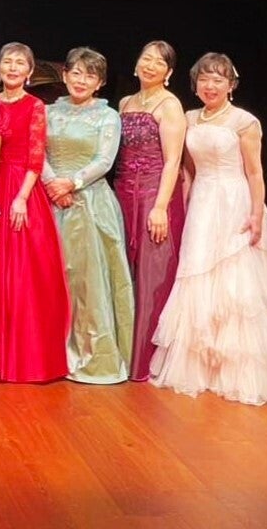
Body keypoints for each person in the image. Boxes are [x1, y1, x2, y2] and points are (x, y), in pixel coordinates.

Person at [150, 53, 267, 405]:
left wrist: (257, 213)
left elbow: (255, 172)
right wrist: (182, 203)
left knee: (236, 282)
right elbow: (188, 170)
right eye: (204, 79)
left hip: (235, 201)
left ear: (231, 85)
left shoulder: (244, 121)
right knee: (198, 273)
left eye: (218, 80)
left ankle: (236, 369)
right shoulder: (189, 118)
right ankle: (202, 365)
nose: (210, 85)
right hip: (203, 203)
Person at [43, 47, 134, 384]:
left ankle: (92, 358)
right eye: (76, 73)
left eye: (90, 75)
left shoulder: (107, 116)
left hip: (90, 202)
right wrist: (53, 183)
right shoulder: (48, 112)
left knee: (87, 282)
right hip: (50, 201)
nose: (81, 80)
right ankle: (50, 355)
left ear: (100, 83)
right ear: (65, 75)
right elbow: (36, 151)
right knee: (51, 278)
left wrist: (72, 183)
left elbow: (104, 160)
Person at [0, 42, 70, 383]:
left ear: (30, 72)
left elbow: (36, 158)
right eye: (7, 62)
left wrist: (21, 198)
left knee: (25, 274)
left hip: (23, 189)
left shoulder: (35, 106)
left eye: (20, 63)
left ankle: (26, 359)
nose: (13, 68)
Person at [114, 40, 187, 382]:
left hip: (154, 193)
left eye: (159, 62)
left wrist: (159, 206)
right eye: (146, 58)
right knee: (125, 270)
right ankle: (121, 351)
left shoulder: (169, 105)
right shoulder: (126, 102)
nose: (150, 65)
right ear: (136, 64)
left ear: (168, 72)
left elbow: (173, 160)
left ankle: (144, 359)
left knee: (151, 275)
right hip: (123, 192)